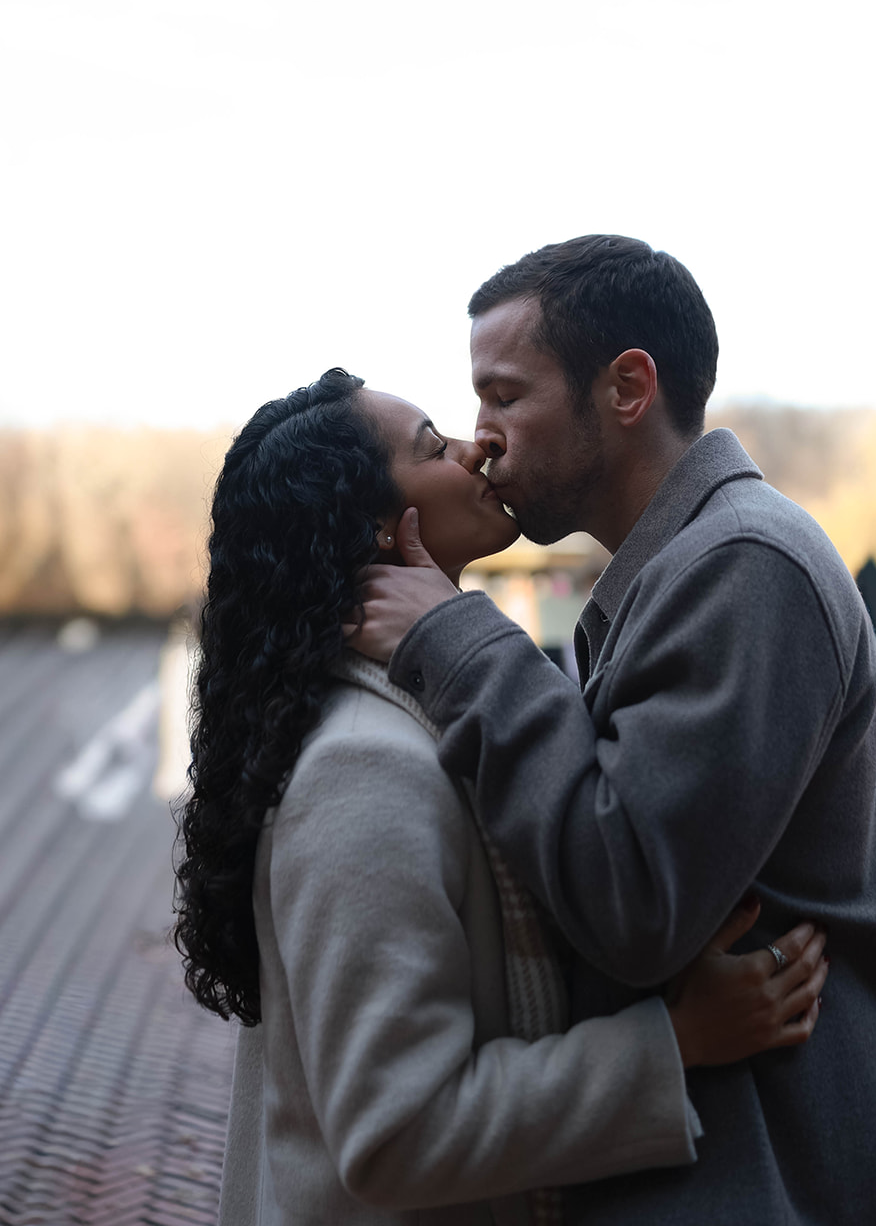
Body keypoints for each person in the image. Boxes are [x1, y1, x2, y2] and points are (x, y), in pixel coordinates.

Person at [356, 235, 876, 1226]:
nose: (482, 436)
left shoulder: (746, 567)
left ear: (625, 387)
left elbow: (633, 899)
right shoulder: (682, 568)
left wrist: (456, 642)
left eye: (504, 395)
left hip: (793, 1189)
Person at [173, 369, 827, 1226]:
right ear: (377, 523)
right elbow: (397, 1131)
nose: (475, 444)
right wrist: (674, 1042)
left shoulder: (410, 716)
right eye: (432, 445)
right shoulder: (361, 769)